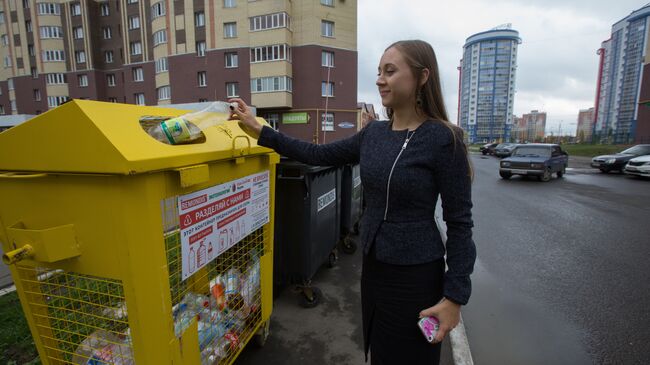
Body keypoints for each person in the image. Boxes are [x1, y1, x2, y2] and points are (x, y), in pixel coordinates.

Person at [230, 39, 476, 365]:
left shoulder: (445, 139)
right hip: (374, 269)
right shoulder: (373, 134)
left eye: (390, 71)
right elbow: (317, 154)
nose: (379, 79)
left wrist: (454, 297)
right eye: (378, 72)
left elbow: (460, 223)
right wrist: (260, 130)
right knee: (379, 352)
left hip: (416, 277)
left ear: (422, 76)